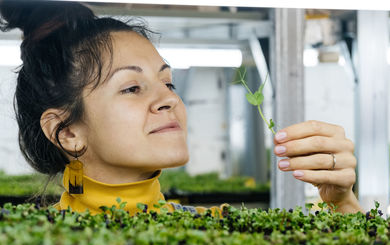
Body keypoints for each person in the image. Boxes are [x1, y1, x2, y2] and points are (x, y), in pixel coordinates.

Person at [0, 1, 363, 215]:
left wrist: (342, 203)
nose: (170, 99)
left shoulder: (223, 228)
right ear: (67, 132)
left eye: (168, 82)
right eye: (131, 87)